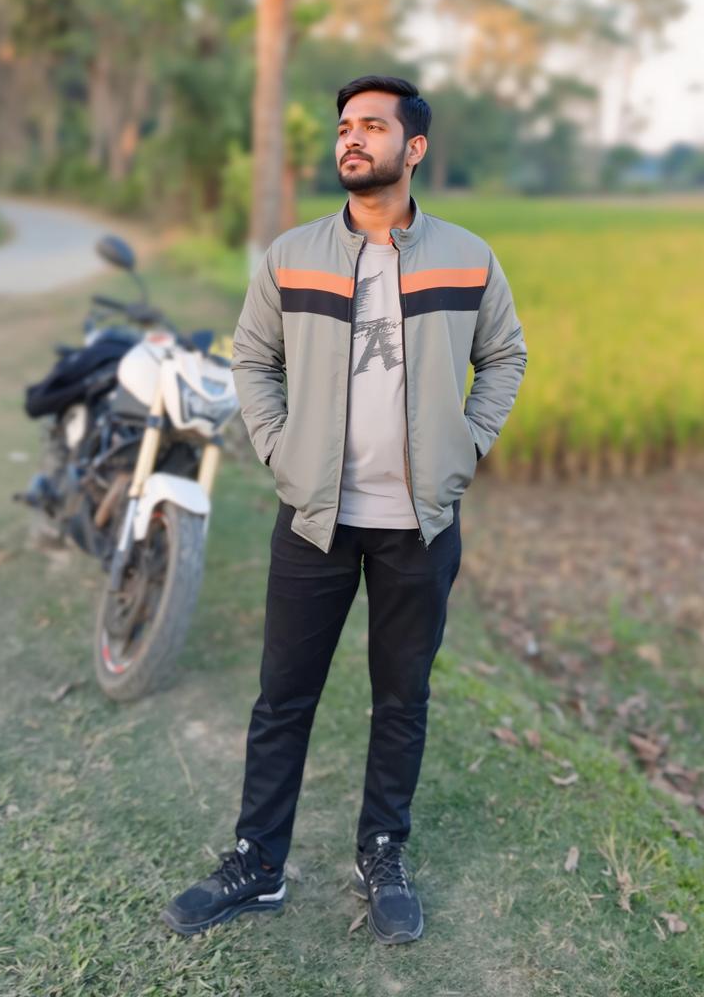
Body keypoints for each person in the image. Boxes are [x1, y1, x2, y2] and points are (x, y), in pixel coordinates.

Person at [162, 75, 527, 944]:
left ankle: (383, 853)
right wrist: (280, 448)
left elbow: (504, 356)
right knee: (284, 696)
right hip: (315, 520)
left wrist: (467, 446)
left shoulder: (467, 256)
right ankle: (257, 864)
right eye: (343, 127)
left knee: (401, 698)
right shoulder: (293, 255)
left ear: (416, 149)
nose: (351, 139)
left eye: (372, 126)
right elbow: (253, 357)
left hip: (420, 526)